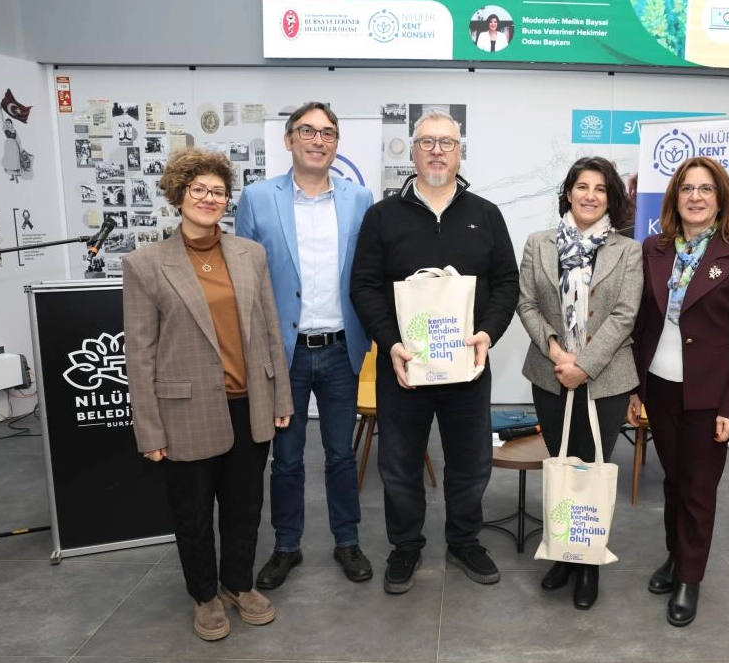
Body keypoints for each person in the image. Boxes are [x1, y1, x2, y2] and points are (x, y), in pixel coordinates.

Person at [122, 148, 292, 641]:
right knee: (193, 514)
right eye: (198, 189)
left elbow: (270, 329)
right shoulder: (145, 264)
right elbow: (140, 354)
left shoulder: (250, 255)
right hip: (185, 412)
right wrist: (149, 430)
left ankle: (237, 584)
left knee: (245, 507)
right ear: (179, 195)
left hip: (248, 405)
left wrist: (281, 398)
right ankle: (204, 596)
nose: (209, 198)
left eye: (218, 191)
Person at [351, 109, 519, 594]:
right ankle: (405, 546)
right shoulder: (382, 216)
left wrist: (488, 333)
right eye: (427, 142)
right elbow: (364, 286)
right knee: (399, 465)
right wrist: (391, 344)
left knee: (471, 463)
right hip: (404, 368)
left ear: (460, 152)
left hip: (468, 367)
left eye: (447, 142)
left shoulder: (486, 214)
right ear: (413, 151)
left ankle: (464, 541)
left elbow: (507, 282)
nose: (437, 151)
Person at [235, 102, 375, 589]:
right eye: (308, 131)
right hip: (283, 354)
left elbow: (368, 271)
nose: (318, 140)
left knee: (341, 455)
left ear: (337, 143)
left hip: (340, 349)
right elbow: (244, 279)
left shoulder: (359, 198)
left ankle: (347, 541)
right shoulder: (258, 198)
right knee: (287, 458)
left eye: (328, 133)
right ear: (288, 139)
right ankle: (286, 546)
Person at [627, 156, 729, 627]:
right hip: (660, 388)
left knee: (699, 489)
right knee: (673, 480)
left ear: (721, 199)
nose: (696, 197)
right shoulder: (654, 248)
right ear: (674, 198)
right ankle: (675, 555)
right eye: (687, 188)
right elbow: (643, 325)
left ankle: (689, 577)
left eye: (706, 189)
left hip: (710, 396)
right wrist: (636, 388)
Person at [517, 156, 643, 610]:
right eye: (582, 186)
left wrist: (584, 365)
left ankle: (588, 565)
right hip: (550, 375)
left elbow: (625, 315)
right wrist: (556, 352)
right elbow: (527, 304)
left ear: (611, 198)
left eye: (600, 189)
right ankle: (564, 555)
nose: (590, 196)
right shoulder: (539, 243)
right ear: (568, 192)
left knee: (591, 469)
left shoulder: (628, 251)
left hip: (606, 379)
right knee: (562, 464)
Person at [2, 118, 22, 182]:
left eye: (9, 122)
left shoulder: (14, 131)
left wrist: (20, 148)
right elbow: (3, 123)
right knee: (10, 161)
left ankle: (16, 176)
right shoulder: (5, 129)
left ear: (11, 123)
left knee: (15, 160)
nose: (8, 123)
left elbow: (18, 140)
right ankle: (12, 176)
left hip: (14, 146)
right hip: (8, 146)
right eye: (7, 122)